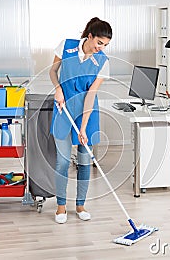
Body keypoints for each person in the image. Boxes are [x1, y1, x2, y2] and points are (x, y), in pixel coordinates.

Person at [49, 17, 112, 224]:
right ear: (90, 36)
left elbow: (91, 95)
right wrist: (58, 89)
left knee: (85, 161)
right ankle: (60, 207)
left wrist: (83, 128)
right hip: (63, 108)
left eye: (105, 45)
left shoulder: (103, 62)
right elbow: (52, 71)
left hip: (87, 112)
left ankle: (80, 205)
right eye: (99, 43)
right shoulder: (66, 46)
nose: (101, 48)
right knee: (63, 161)